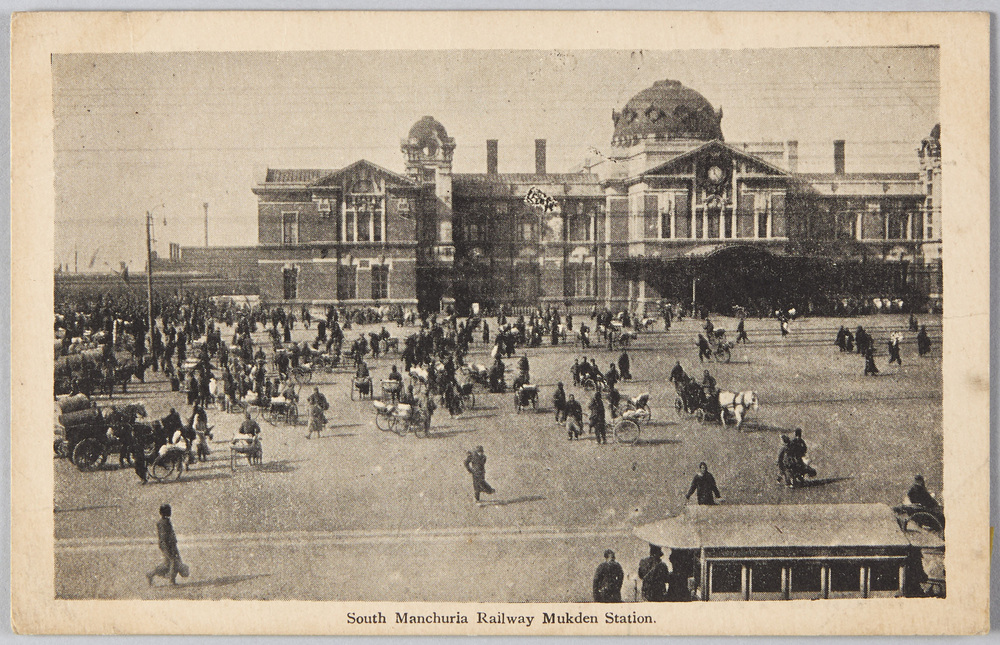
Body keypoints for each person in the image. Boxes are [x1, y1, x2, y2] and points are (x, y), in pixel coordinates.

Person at [147, 504, 188, 586]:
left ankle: (151, 574)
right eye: (168, 511)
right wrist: (167, 547)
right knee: (173, 561)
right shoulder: (163, 523)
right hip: (167, 545)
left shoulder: (165, 521)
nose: (170, 512)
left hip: (169, 545)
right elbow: (163, 537)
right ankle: (171, 581)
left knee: (168, 563)